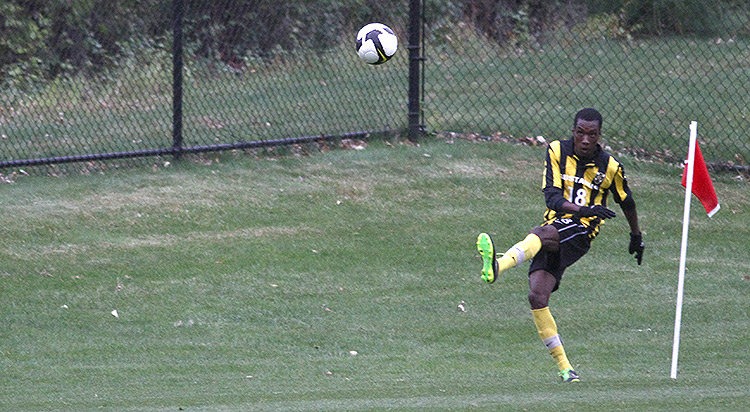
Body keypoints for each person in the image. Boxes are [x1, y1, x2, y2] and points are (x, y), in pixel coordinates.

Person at [476, 108, 644, 383]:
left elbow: (627, 202)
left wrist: (636, 236)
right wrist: (583, 207)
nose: (586, 140)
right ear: (573, 132)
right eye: (580, 133)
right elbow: (552, 197)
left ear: (599, 135)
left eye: (592, 134)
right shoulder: (557, 151)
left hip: (581, 233)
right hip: (560, 222)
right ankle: (566, 368)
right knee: (537, 297)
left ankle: (499, 265)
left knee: (541, 233)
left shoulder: (610, 166)